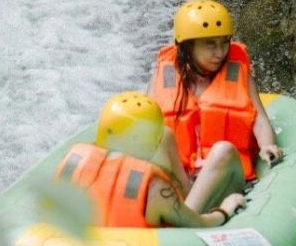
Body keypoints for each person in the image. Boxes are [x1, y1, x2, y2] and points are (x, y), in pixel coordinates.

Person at [148, 0, 282, 214]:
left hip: (225, 175)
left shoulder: (239, 73)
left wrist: (267, 145)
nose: (219, 52)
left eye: (223, 42)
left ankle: (188, 220)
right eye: (210, 44)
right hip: (184, 180)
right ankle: (186, 210)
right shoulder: (165, 75)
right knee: (161, 135)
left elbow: (259, 119)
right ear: (187, 46)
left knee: (223, 150)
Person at [55, 91, 246, 229]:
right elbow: (200, 224)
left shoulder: (72, 165)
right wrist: (224, 210)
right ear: (151, 141)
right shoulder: (155, 189)